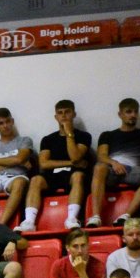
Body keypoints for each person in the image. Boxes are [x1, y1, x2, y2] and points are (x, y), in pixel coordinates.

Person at [86, 98, 140, 228]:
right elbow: (101, 156)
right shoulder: (108, 135)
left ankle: (126, 216)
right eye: (128, 112)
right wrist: (114, 163)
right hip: (112, 170)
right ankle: (96, 217)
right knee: (99, 167)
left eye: (135, 112)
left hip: (133, 171)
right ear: (120, 114)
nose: (133, 115)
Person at [21, 100, 89, 233]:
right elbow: (44, 163)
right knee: (36, 180)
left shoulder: (83, 136)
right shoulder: (48, 139)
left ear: (73, 114)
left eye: (67, 112)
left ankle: (72, 219)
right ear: (55, 117)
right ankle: (29, 221)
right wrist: (70, 162)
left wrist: (69, 133)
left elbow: (75, 156)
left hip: (72, 175)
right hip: (52, 175)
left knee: (78, 176)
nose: (63, 116)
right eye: (60, 113)